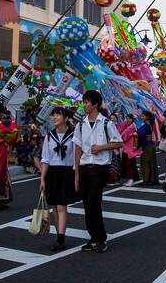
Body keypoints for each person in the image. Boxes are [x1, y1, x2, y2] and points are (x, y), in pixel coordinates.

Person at [73, 90, 122, 252]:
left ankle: (101, 238)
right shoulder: (80, 125)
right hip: (84, 167)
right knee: (87, 204)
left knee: (94, 201)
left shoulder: (107, 123)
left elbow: (118, 143)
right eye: (83, 101)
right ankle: (93, 238)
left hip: (100, 168)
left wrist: (101, 147)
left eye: (87, 102)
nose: (84, 105)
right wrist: (77, 174)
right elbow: (78, 149)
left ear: (95, 104)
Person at [37, 107, 75, 251]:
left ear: (66, 118)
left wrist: (77, 175)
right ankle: (59, 235)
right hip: (52, 173)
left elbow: (77, 155)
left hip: (67, 172)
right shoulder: (49, 136)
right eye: (54, 115)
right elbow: (45, 159)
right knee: (54, 206)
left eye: (58, 115)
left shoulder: (73, 134)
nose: (54, 118)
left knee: (61, 205)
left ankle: (61, 238)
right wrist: (42, 179)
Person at [137, 111, 159, 185]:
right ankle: (150, 179)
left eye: (143, 116)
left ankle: (148, 180)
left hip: (147, 145)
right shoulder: (148, 124)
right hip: (148, 145)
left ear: (147, 117)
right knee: (149, 162)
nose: (141, 117)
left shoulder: (147, 125)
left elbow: (140, 134)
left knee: (146, 163)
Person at [118, 113, 140, 182]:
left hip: (129, 147)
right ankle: (135, 177)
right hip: (129, 147)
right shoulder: (131, 126)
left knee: (129, 164)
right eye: (127, 118)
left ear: (132, 119)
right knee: (131, 164)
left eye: (129, 118)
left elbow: (124, 137)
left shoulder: (131, 127)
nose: (127, 120)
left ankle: (131, 179)